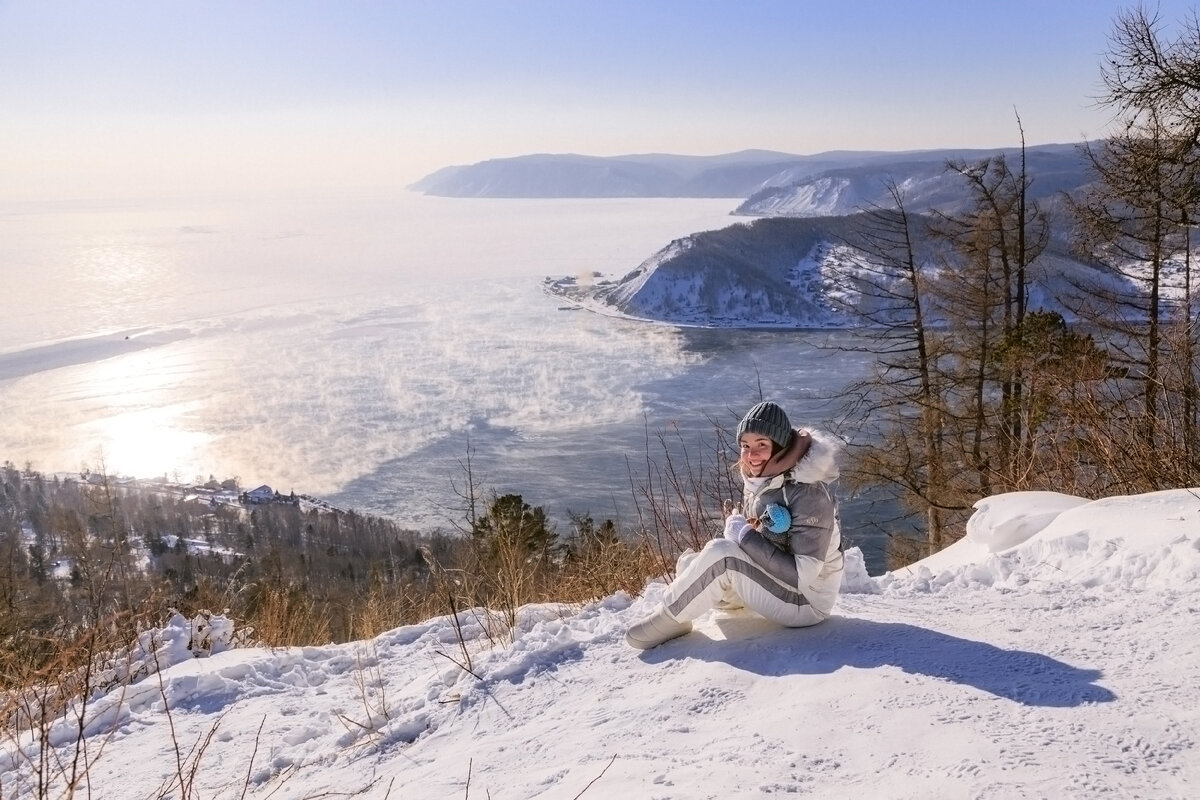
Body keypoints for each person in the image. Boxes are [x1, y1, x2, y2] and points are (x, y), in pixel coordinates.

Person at [625, 401, 844, 649]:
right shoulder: (764, 480)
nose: (751, 455)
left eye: (762, 445)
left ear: (780, 447)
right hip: (779, 586)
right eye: (745, 446)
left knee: (722, 556)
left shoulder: (808, 494)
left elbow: (801, 577)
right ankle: (697, 607)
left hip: (806, 602)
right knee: (691, 564)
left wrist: (744, 536)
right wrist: (746, 534)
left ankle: (671, 617)